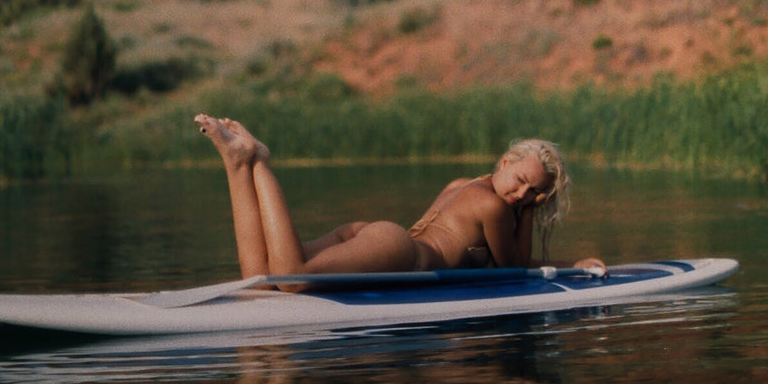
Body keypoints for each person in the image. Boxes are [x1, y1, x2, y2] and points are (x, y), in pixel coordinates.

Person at [195, 114, 606, 280]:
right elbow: (514, 269)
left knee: (261, 279)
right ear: (503, 162)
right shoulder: (493, 206)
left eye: (534, 193)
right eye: (520, 181)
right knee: (292, 277)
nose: (522, 194)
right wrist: (566, 258)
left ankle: (236, 165)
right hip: (396, 248)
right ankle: (259, 160)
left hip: (377, 238)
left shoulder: (463, 185)